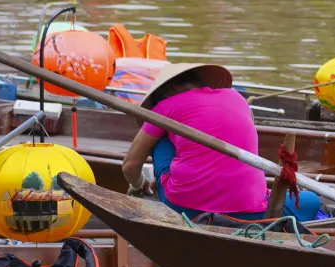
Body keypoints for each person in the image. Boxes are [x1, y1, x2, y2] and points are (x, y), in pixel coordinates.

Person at [122, 62, 305, 221]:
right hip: (254, 208)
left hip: (188, 208)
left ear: (167, 92)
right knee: (310, 200)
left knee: (160, 136)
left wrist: (139, 185)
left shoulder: (164, 107)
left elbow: (130, 165)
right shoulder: (237, 98)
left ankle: (165, 183)